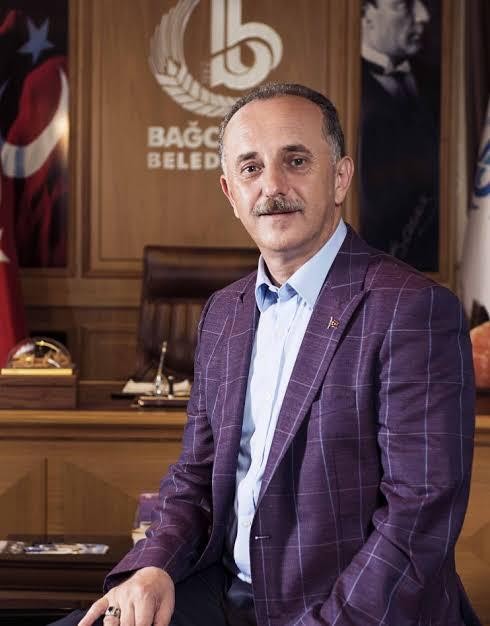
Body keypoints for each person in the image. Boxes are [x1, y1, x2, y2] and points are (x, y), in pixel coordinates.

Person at [53, 83, 479, 625]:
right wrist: (154, 565)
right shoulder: (223, 313)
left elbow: (417, 522)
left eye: (295, 160)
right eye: (251, 168)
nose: (272, 186)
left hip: (345, 609)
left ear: (340, 177)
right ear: (231, 193)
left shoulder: (413, 309)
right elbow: (195, 479)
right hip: (226, 593)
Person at [359, 0, 440, 272]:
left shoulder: (438, 82)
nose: (423, 16)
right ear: (365, 13)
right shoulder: (338, 82)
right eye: (404, 5)